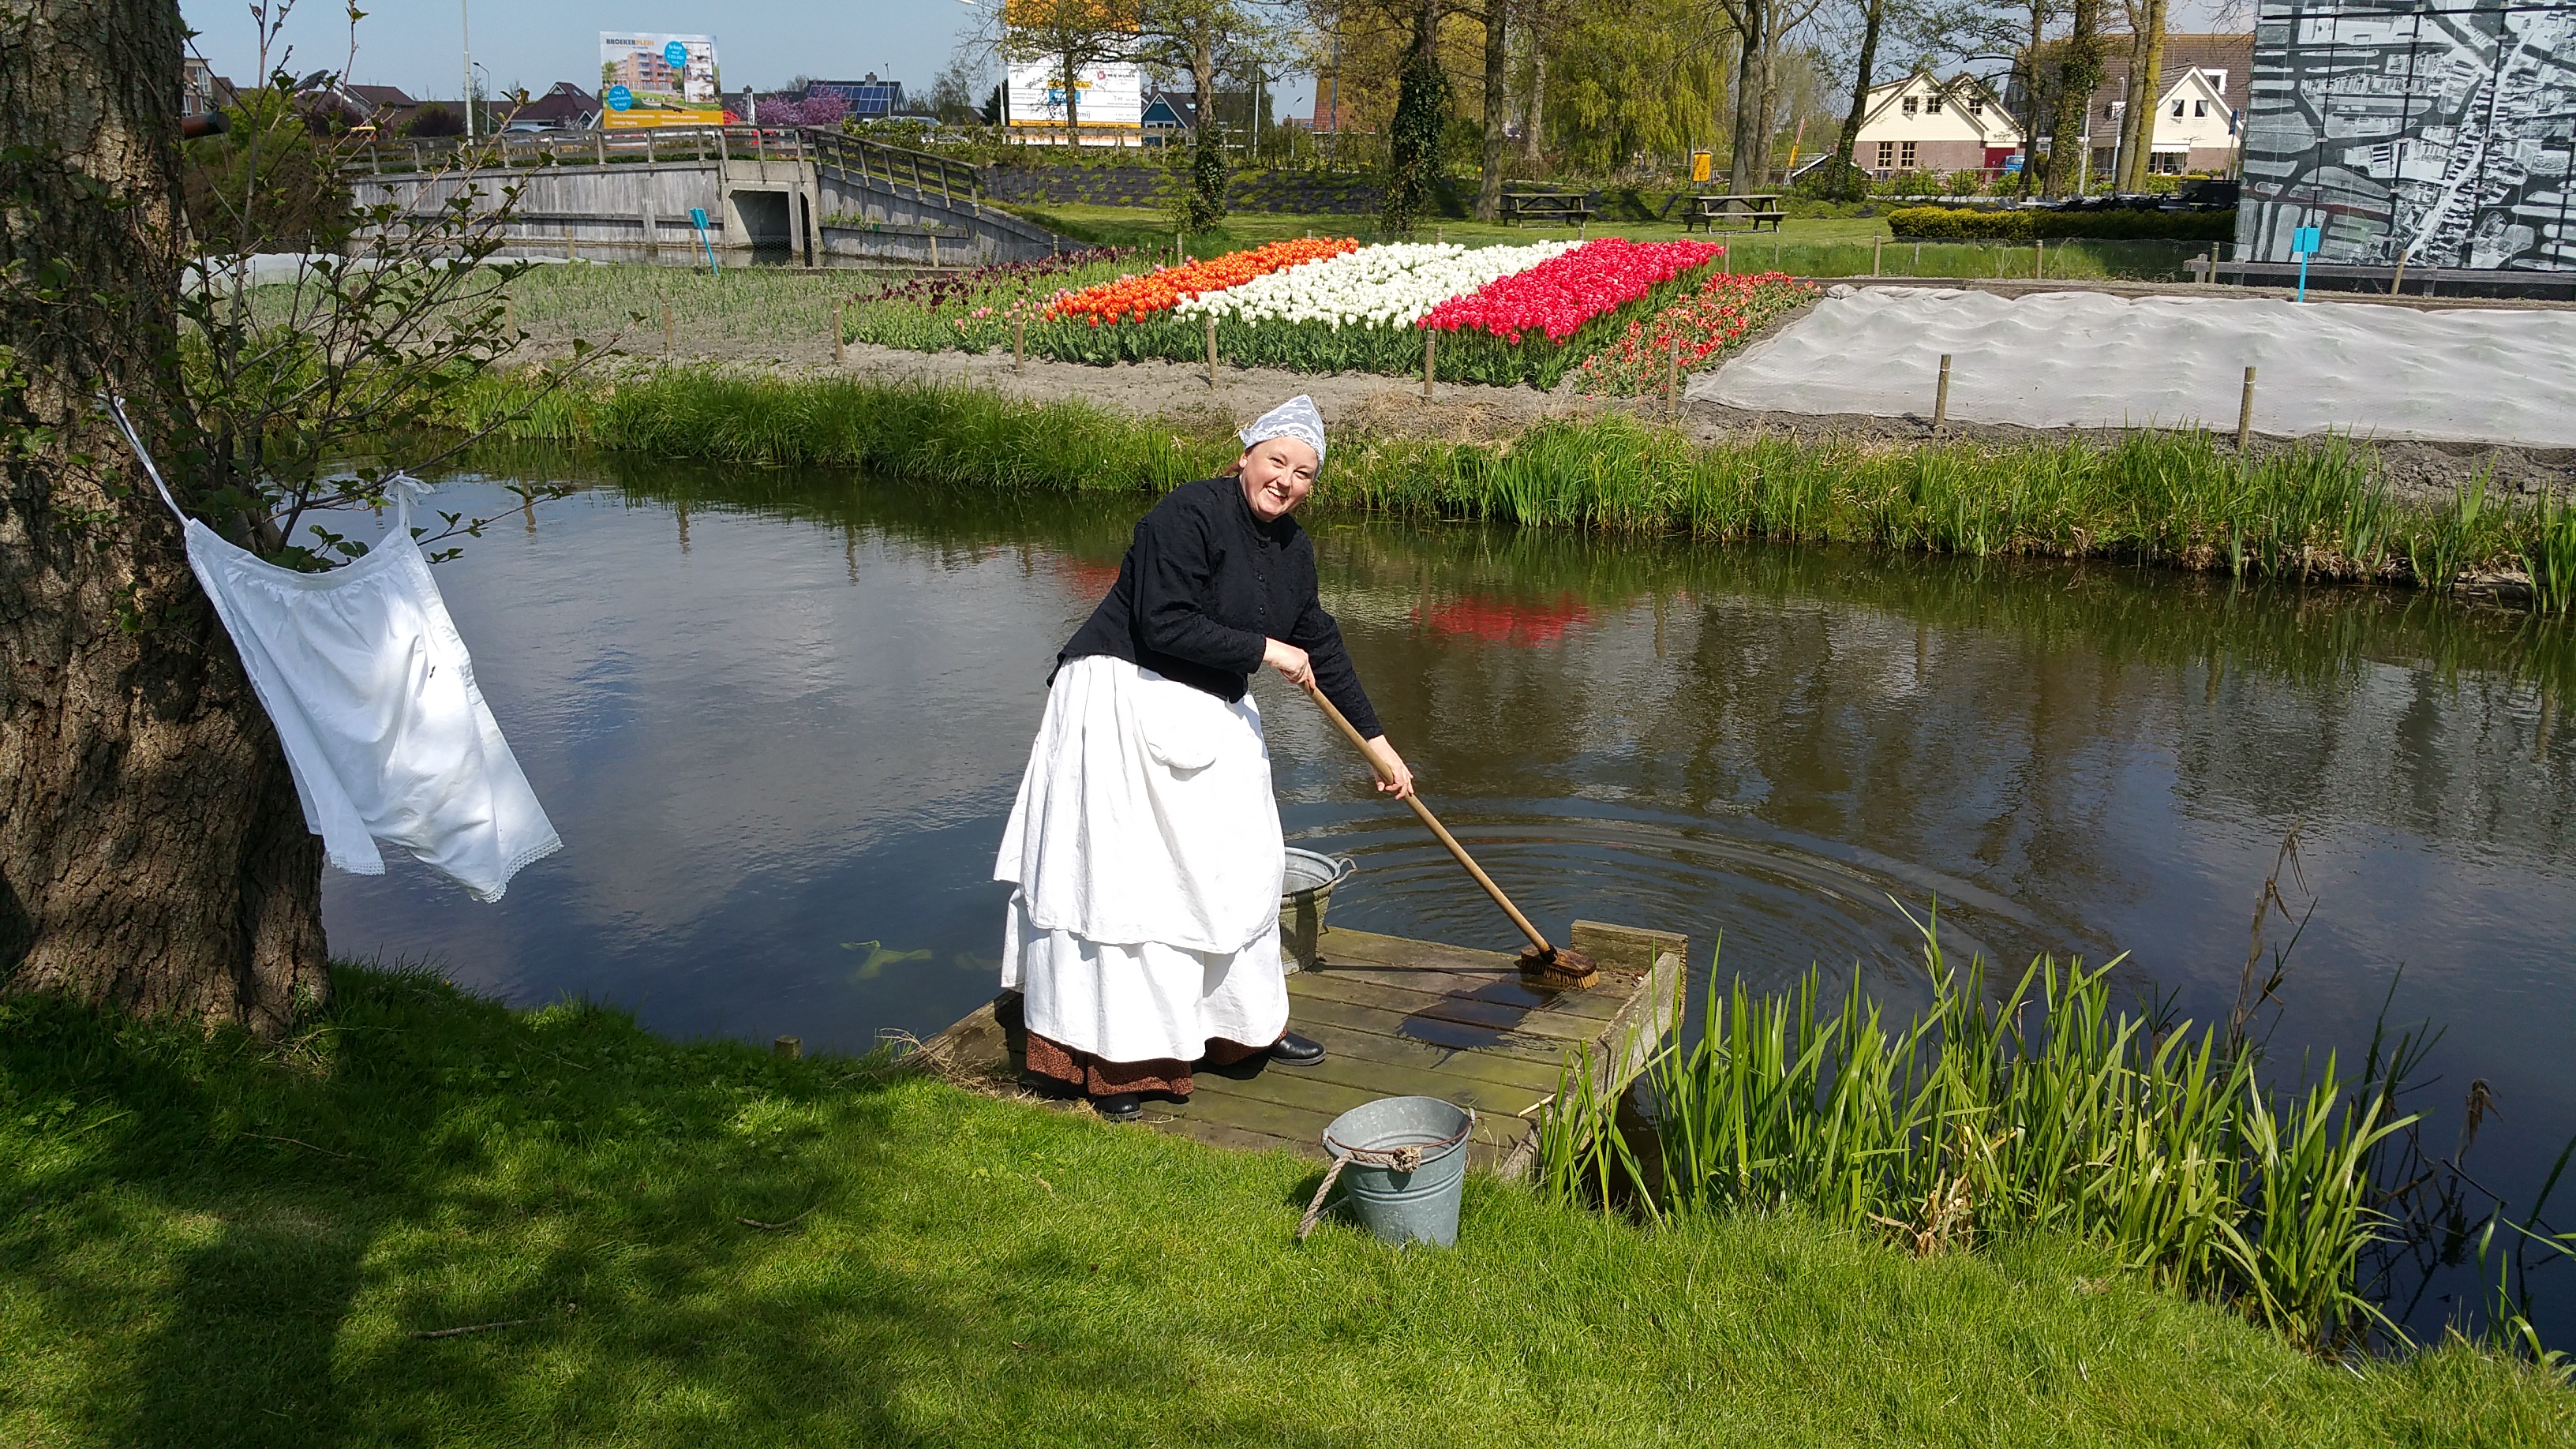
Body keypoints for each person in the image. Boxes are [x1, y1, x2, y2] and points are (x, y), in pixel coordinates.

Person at [994, 395, 1413, 1122]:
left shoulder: (1293, 550)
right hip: (1119, 698)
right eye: (1277, 461)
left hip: (1209, 708)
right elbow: (1162, 622)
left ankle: (1241, 1029)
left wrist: (1379, 748)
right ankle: (1120, 1062)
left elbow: (1322, 647)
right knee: (1131, 889)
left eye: (1304, 472)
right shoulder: (1185, 515)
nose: (1287, 481)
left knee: (1240, 866)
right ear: (1245, 455)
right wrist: (1265, 650)